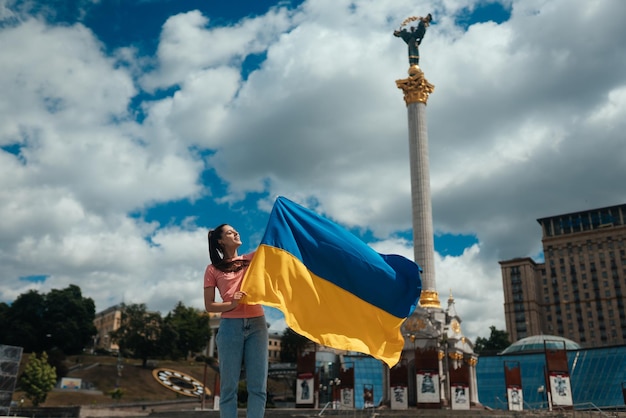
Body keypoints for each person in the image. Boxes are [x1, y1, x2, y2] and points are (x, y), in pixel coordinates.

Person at [204, 224, 268, 418]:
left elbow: (274, 247)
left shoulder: (251, 259)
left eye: (236, 231)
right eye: (230, 232)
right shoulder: (212, 269)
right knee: (228, 388)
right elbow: (210, 306)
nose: (236, 233)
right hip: (230, 327)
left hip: (257, 324)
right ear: (221, 241)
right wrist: (232, 303)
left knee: (258, 387)